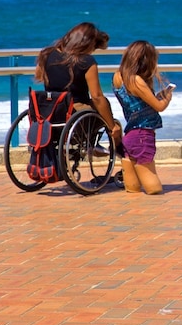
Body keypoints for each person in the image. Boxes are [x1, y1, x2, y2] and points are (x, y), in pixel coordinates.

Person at [35, 22, 122, 144]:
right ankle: (104, 146)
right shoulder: (86, 62)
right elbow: (96, 96)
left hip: (50, 112)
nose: (92, 51)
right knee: (105, 106)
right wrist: (112, 126)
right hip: (75, 113)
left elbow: (40, 77)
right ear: (87, 43)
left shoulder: (46, 54)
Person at [112, 40, 172, 195]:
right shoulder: (137, 81)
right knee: (153, 187)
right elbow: (159, 107)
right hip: (143, 135)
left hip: (130, 134)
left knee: (132, 187)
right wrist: (167, 97)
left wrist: (154, 97)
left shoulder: (118, 77)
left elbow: (136, 102)